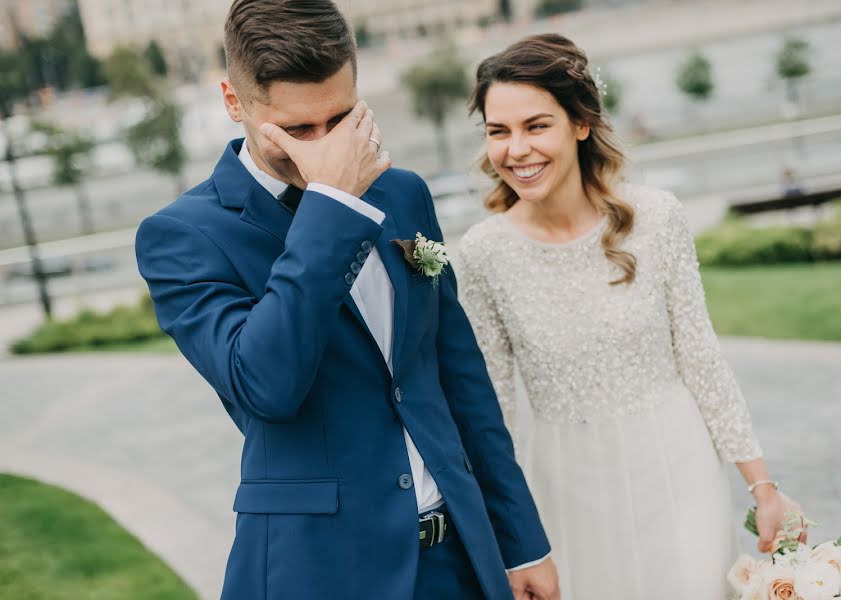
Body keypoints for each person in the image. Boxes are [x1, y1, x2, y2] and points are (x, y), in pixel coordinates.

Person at [134, 2, 559, 598]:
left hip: (458, 561)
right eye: (297, 130)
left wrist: (521, 541)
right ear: (234, 102)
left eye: (339, 120)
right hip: (323, 572)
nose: (322, 147)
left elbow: (459, 379)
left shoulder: (403, 194)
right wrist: (332, 207)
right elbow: (268, 385)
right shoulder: (181, 237)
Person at [456, 33, 804, 599]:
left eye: (535, 125)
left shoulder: (658, 217)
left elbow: (701, 357)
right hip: (562, 485)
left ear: (580, 124)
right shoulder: (481, 253)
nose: (515, 150)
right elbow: (494, 409)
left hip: (676, 463)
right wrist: (511, 538)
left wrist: (763, 487)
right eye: (499, 131)